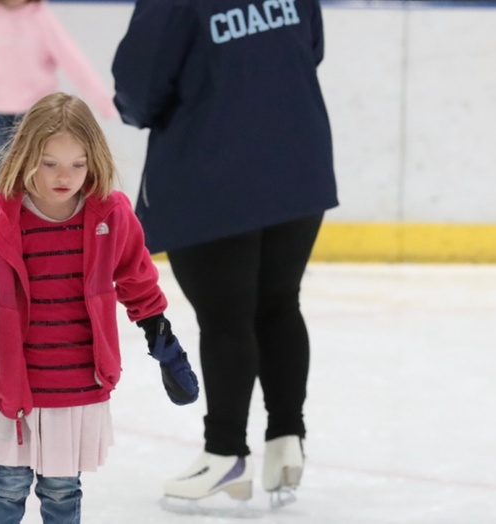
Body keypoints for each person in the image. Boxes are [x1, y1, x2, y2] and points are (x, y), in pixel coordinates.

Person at [0, 92, 199, 524]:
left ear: (93, 160)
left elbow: (138, 283)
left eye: (78, 164)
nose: (64, 176)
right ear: (26, 155)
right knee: (8, 483)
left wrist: (164, 345)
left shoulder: (112, 216)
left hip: (76, 382)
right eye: (50, 162)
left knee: (61, 490)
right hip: (12, 379)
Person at [112, 0, 338, 509]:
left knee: (225, 317)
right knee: (279, 302)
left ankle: (225, 453)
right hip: (297, 162)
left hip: (212, 174)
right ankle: (286, 441)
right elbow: (310, 50)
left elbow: (139, 88)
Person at [0, 0, 117, 199]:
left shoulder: (42, 19)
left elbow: (74, 62)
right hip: (4, 114)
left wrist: (104, 103)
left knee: (43, 175)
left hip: (41, 117)